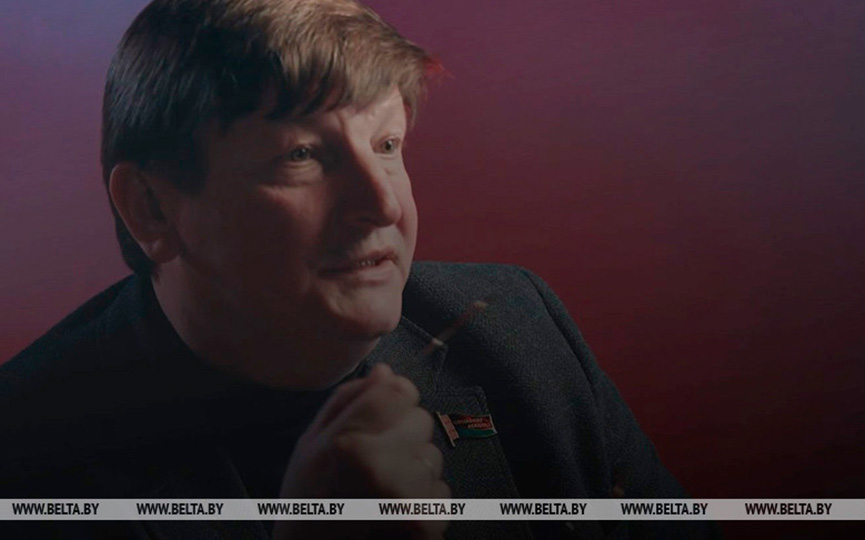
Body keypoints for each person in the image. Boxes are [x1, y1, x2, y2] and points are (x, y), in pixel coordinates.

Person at [0, 0, 718, 538]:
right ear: (152, 208)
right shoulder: (25, 458)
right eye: (301, 155)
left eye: (386, 145)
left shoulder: (517, 323)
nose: (382, 204)